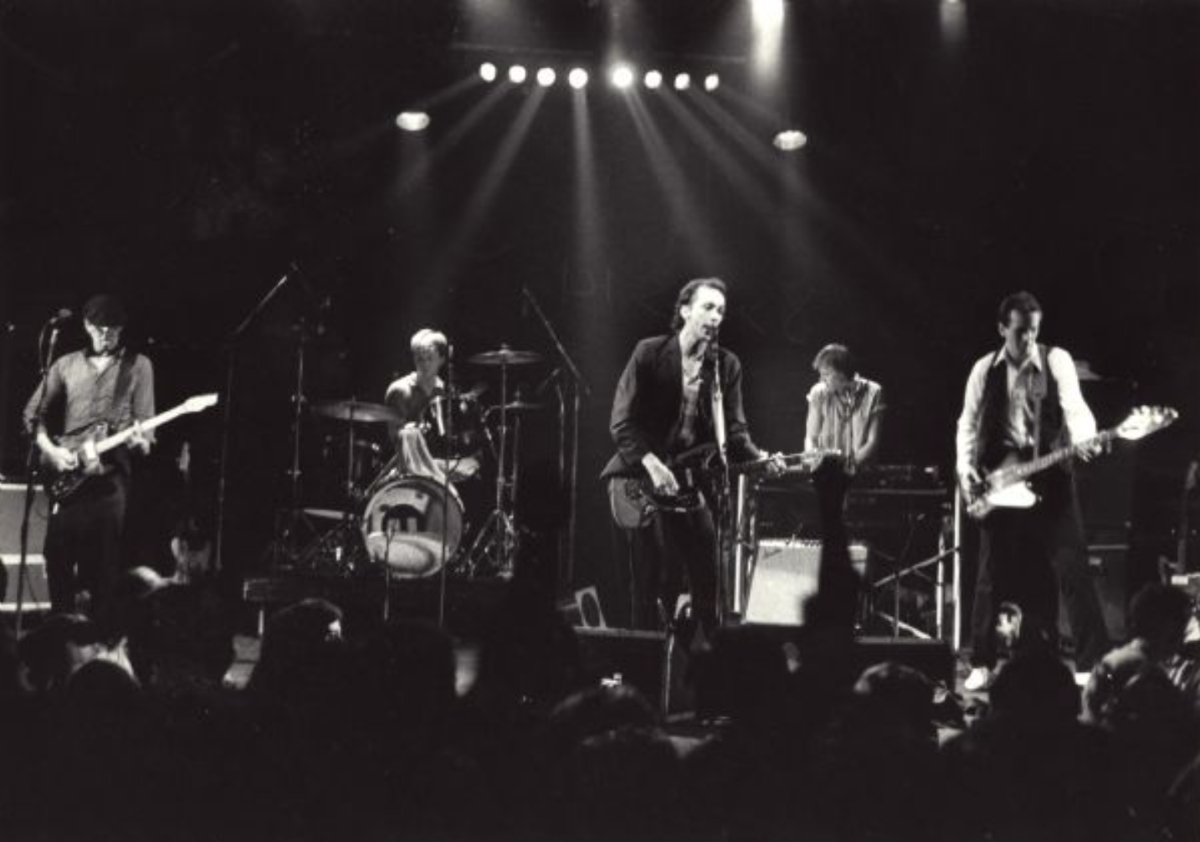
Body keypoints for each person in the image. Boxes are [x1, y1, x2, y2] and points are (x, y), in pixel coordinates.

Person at [601, 277, 781, 636]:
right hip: (637, 479)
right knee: (649, 580)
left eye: (722, 311)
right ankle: (644, 666)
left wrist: (762, 459)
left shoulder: (725, 367)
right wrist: (652, 465)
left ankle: (702, 663)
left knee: (708, 575)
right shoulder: (649, 352)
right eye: (708, 307)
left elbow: (734, 432)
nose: (716, 317)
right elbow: (621, 422)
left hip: (686, 482)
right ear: (685, 311)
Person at [955, 291, 1108, 691]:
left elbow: (1075, 408)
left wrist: (1087, 438)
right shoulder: (983, 369)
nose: (1027, 340)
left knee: (1073, 567)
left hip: (1050, 470)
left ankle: (1089, 666)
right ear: (1002, 328)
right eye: (1020, 332)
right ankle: (982, 662)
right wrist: (967, 472)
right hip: (1000, 478)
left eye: (1033, 331)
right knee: (989, 572)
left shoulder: (1055, 360)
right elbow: (967, 426)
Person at [23, 294, 155, 618]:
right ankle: (60, 637)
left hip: (111, 477)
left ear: (122, 329)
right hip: (68, 473)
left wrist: (139, 441)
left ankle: (99, 640)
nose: (105, 336)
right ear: (86, 325)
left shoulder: (139, 366)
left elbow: (146, 437)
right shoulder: (64, 364)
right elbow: (33, 414)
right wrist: (52, 451)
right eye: (99, 329)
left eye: (112, 329)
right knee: (57, 559)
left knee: (104, 567)